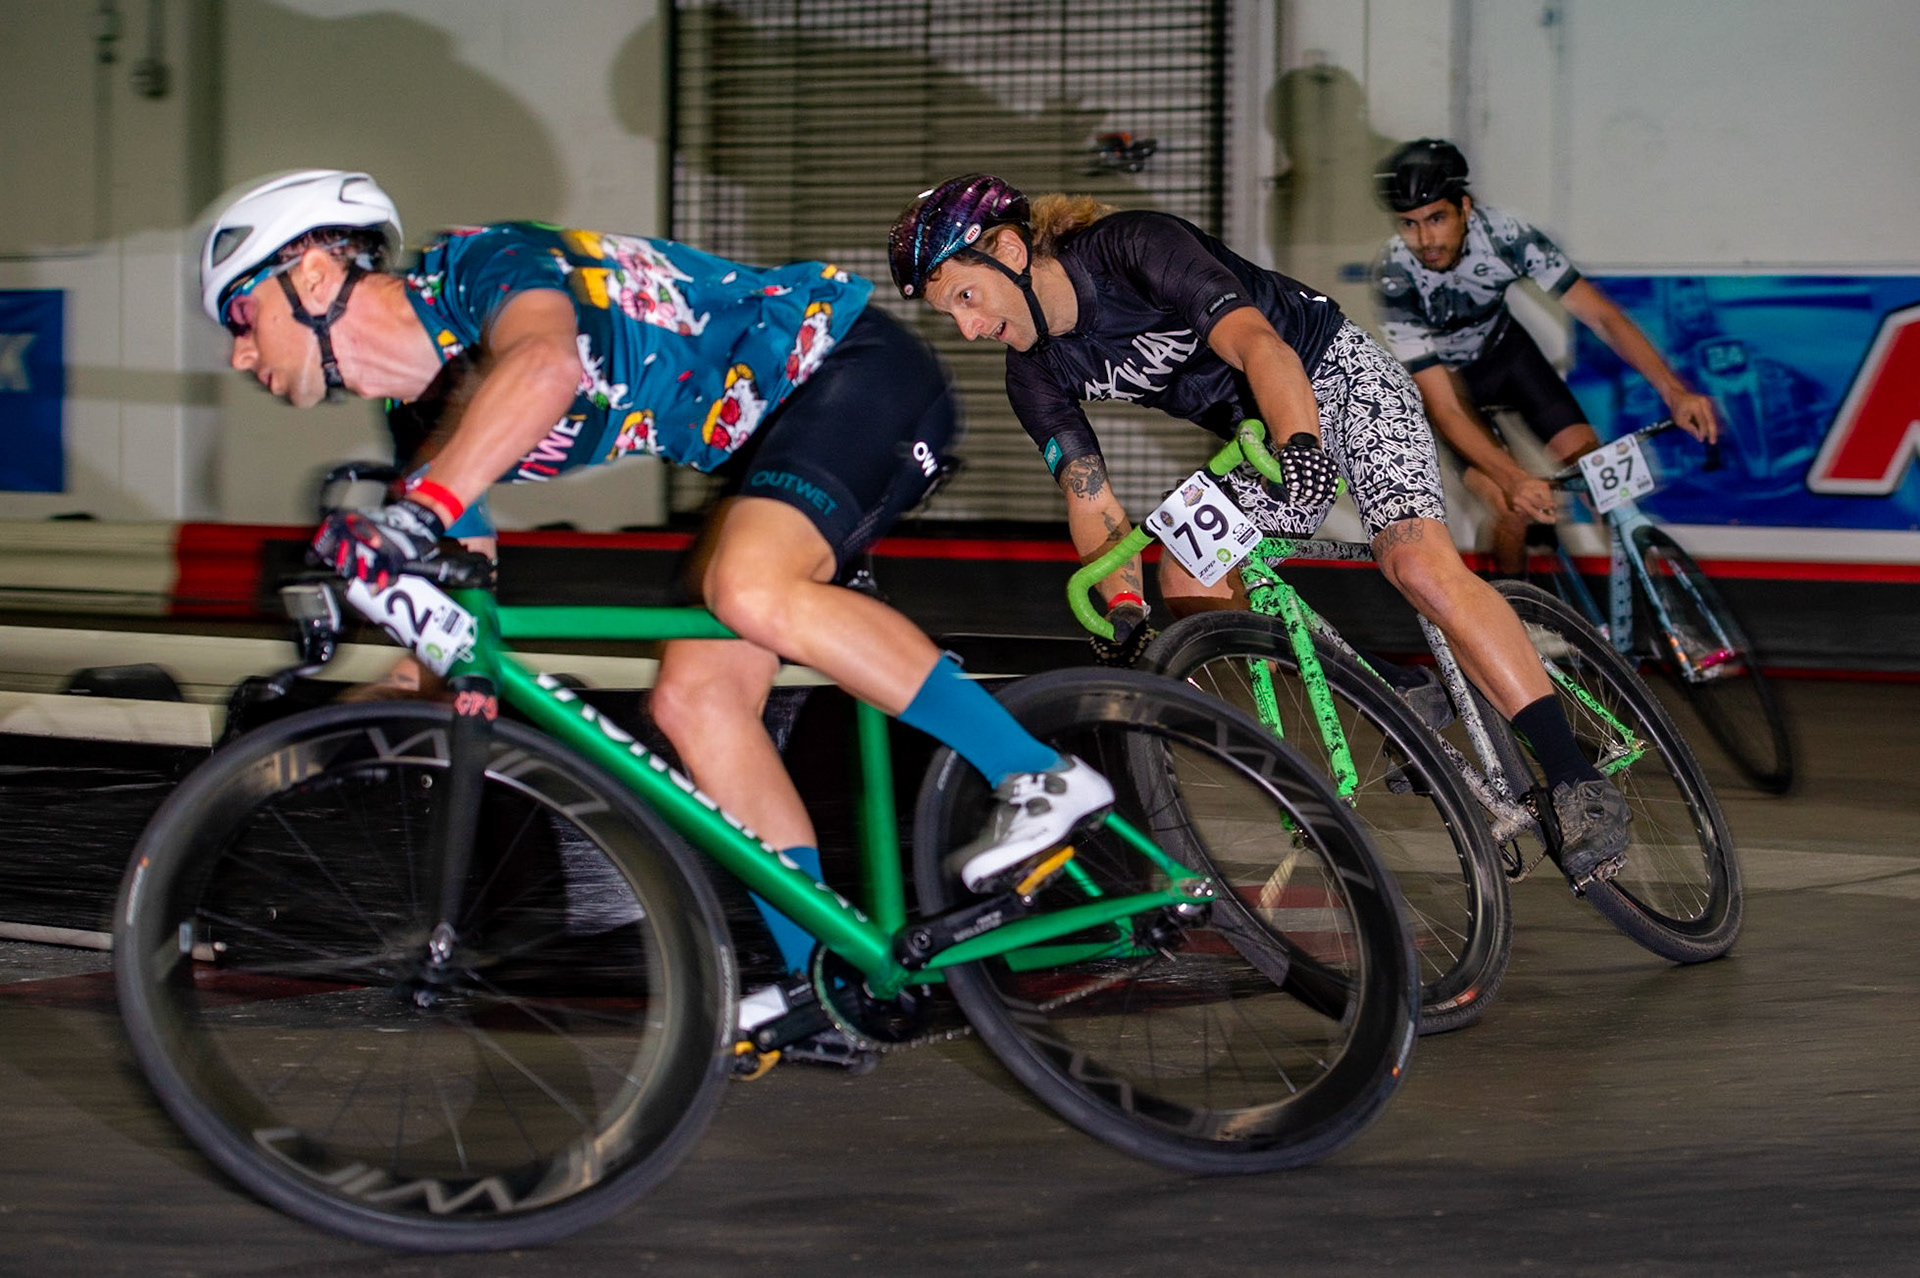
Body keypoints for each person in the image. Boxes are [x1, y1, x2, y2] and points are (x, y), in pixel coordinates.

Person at [200, 168, 1117, 1055]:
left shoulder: (480, 267)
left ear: (311, 277)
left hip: (849, 370)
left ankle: (1037, 773)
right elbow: (465, 602)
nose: (238, 354)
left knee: (747, 587)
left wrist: (419, 512)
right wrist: (376, 706)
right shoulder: (423, 426)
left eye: (241, 315)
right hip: (767, 449)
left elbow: (545, 363)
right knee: (694, 701)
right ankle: (822, 976)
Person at [888, 173, 1630, 881]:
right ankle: (1397, 688)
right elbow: (1091, 499)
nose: (970, 327)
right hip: (1256, 437)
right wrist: (1123, 607)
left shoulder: (1130, 247)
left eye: (966, 297)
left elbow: (1257, 345)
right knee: (1188, 574)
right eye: (951, 314)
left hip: (1334, 376)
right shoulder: (1034, 372)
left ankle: (1576, 779)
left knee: (1415, 564)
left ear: (1009, 250)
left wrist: (1300, 440)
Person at [1370, 138, 1721, 573]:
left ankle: (1654, 601)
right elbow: (1445, 409)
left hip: (1508, 357)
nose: (1425, 239)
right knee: (1512, 506)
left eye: (1437, 218)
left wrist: (1674, 391)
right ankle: (1514, 607)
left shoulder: (1508, 236)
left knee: (1605, 478)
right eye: (1409, 224)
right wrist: (1515, 478)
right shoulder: (1395, 276)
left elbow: (1602, 316)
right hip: (1453, 387)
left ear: (1465, 207)